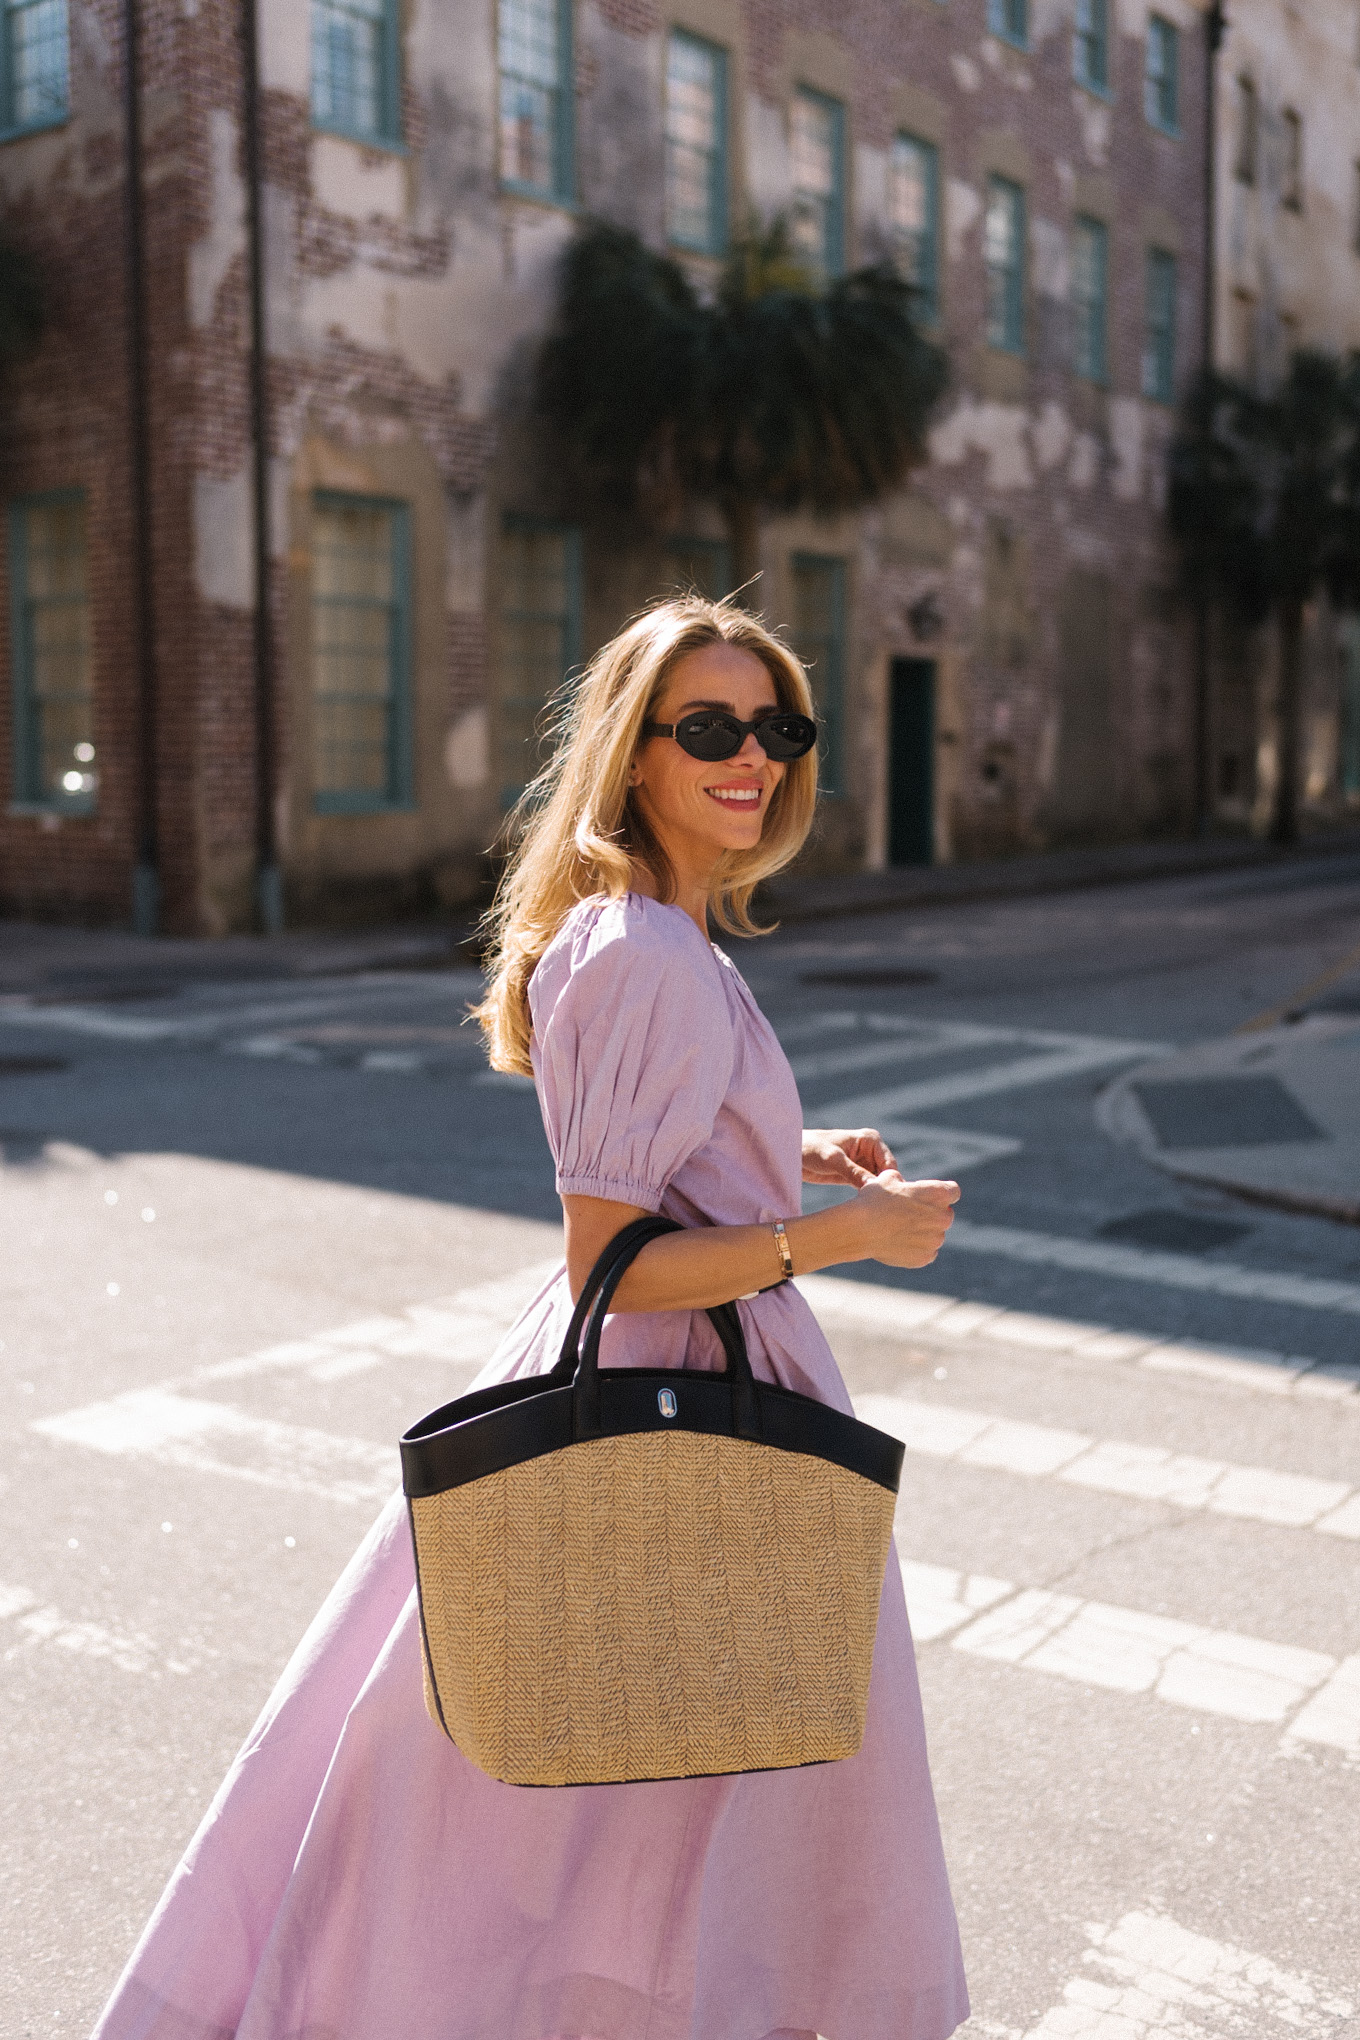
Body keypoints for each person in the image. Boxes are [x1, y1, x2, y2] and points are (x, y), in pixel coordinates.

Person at [92, 595, 968, 2040]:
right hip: (677, 1396)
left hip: (696, 1382)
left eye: (775, 728)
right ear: (635, 754)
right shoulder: (639, 949)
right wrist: (845, 1238)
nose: (749, 758)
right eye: (708, 730)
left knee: (637, 1793)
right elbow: (611, 1259)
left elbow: (648, 1158)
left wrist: (787, 1146)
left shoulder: (662, 930)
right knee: (630, 1780)